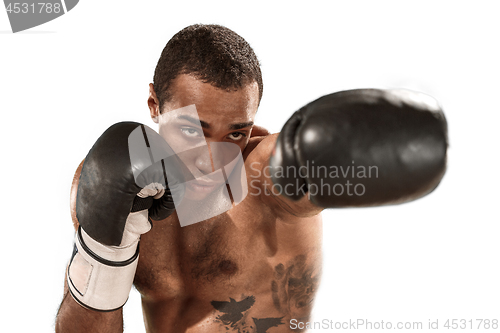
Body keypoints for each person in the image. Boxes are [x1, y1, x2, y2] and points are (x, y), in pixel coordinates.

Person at [55, 24, 448, 332]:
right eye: (193, 130)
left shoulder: (264, 178)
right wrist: (102, 256)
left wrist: (324, 156)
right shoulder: (112, 183)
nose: (213, 158)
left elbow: (294, 171)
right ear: (155, 105)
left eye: (236, 133)